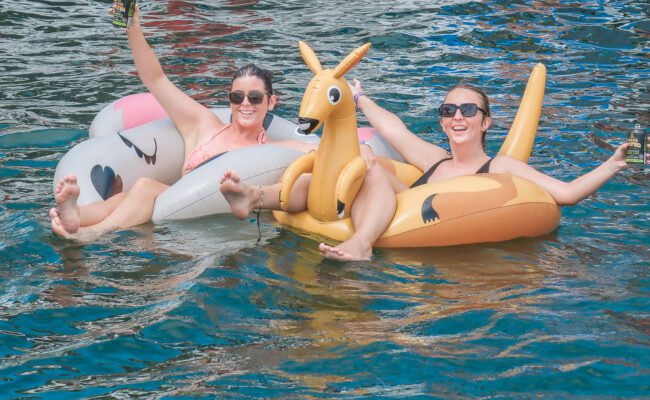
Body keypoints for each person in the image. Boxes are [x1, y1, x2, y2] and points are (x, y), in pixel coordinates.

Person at [221, 77, 630, 262]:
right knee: (358, 163)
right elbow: (393, 129)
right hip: (386, 214)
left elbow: (567, 194)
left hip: (423, 254)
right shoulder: (433, 159)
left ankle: (362, 242)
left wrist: (613, 164)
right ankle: (254, 198)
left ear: (485, 122)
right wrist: (360, 97)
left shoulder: (499, 166)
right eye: (448, 110)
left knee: (373, 170)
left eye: (468, 110)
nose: (457, 116)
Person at [50, 0, 310, 241]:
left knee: (145, 188)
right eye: (236, 97)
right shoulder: (203, 126)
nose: (245, 104)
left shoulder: (274, 152)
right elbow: (156, 79)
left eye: (254, 98)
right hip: (168, 220)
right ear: (228, 100)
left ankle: (93, 232)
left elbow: (318, 151)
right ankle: (79, 215)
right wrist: (132, 26)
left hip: (211, 233)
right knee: (131, 193)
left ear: (271, 102)